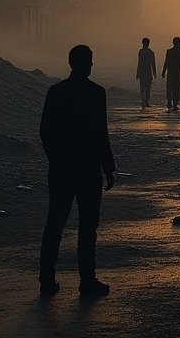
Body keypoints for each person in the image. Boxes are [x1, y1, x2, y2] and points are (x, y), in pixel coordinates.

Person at [38, 44, 116, 299]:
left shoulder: (55, 91)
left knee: (54, 224)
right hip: (87, 169)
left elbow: (45, 131)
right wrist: (108, 167)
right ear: (89, 64)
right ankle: (87, 280)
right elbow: (100, 134)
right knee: (87, 226)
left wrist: (56, 158)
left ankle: (47, 279)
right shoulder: (96, 93)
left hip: (60, 169)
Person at [161, 36, 180, 111]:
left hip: (172, 72)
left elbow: (166, 62)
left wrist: (164, 71)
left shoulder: (170, 51)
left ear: (173, 42)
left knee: (170, 88)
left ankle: (171, 101)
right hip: (179, 72)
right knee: (178, 88)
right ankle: (175, 103)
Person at [136, 38, 157, 108]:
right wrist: (137, 73)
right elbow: (140, 63)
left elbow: (152, 63)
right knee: (146, 88)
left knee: (145, 88)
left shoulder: (145, 52)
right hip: (145, 72)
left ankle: (145, 101)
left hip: (145, 72)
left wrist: (154, 73)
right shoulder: (148, 52)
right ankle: (145, 101)